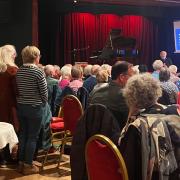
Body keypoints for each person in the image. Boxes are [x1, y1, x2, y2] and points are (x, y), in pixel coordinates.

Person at [119, 73, 179, 180]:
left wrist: (130, 113)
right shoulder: (174, 111)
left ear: (131, 97)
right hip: (175, 172)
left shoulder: (137, 125)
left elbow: (124, 156)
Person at [16, 46, 48, 175]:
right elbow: (44, 94)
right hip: (35, 108)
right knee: (32, 137)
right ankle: (28, 165)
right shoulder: (38, 72)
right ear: (36, 57)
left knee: (23, 134)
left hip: (21, 106)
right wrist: (42, 103)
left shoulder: (19, 71)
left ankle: (21, 163)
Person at [89, 61, 134, 130]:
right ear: (122, 77)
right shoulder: (124, 95)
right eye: (132, 76)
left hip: (93, 136)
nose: (133, 79)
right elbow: (130, 123)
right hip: (115, 138)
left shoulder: (96, 91)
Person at [0, 44, 19, 166]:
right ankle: (10, 157)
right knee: (11, 128)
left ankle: (1, 158)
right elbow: (17, 90)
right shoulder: (12, 69)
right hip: (9, 103)